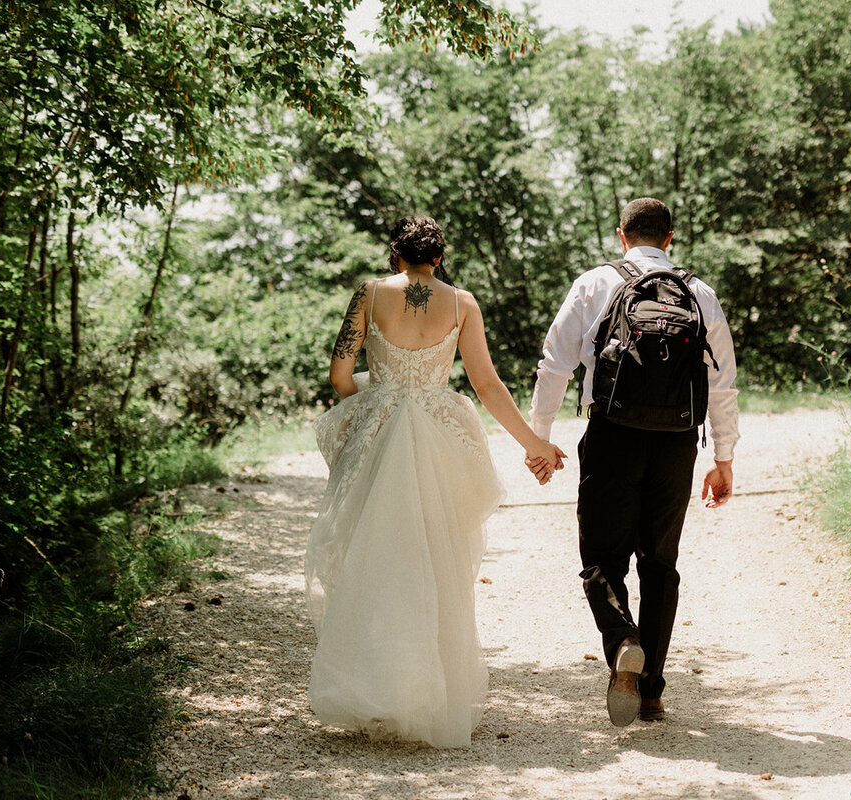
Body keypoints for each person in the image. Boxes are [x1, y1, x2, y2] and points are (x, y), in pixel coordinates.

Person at [305, 215, 566, 748]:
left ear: (395, 256)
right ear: (438, 258)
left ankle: (376, 691)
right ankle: (432, 695)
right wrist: (534, 445)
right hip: (439, 441)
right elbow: (487, 384)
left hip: (379, 436)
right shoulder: (462, 303)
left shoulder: (369, 293)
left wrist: (374, 405)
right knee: (436, 564)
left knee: (375, 561)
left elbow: (338, 376)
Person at [528, 197, 739, 727]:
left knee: (602, 557)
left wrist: (540, 437)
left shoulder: (594, 284)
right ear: (669, 239)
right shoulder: (700, 292)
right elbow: (722, 383)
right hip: (676, 444)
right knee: (660, 564)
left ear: (622, 236)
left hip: (612, 436)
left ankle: (623, 640)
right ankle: (650, 693)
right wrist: (724, 457)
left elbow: (554, 364)